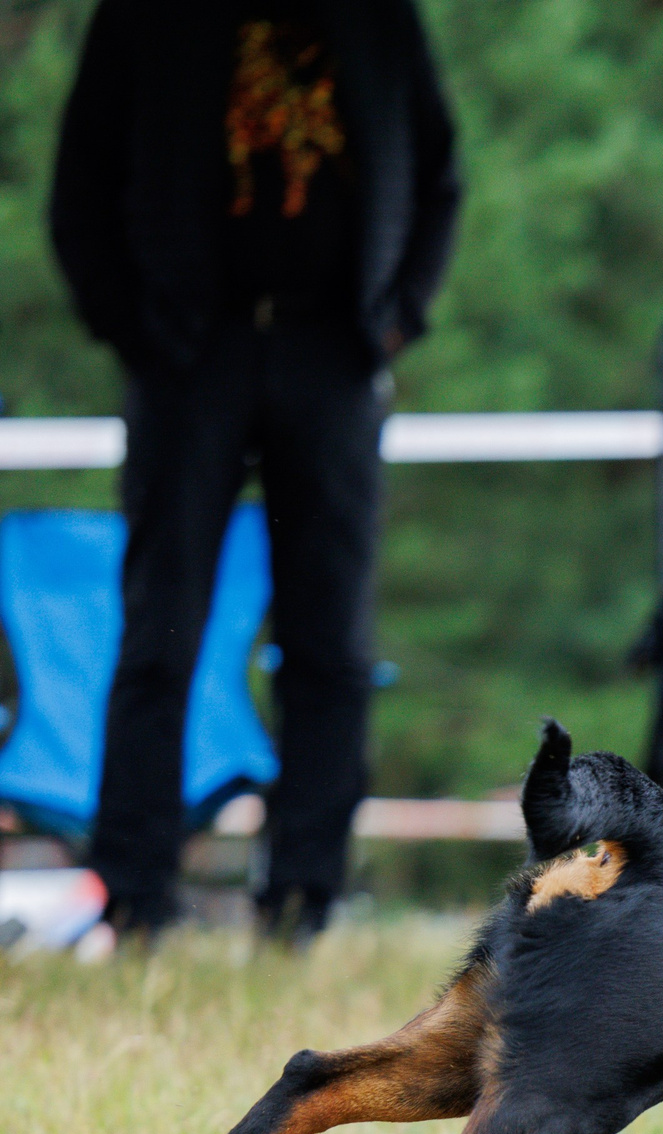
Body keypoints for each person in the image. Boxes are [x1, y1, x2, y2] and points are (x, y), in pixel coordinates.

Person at [49, 0, 461, 944]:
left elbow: (438, 171)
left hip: (335, 351)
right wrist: (137, 331)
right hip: (191, 357)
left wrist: (396, 316)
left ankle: (303, 902)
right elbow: (81, 187)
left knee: (333, 649)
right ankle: (140, 899)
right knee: (162, 637)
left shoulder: (378, 16)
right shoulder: (146, 16)